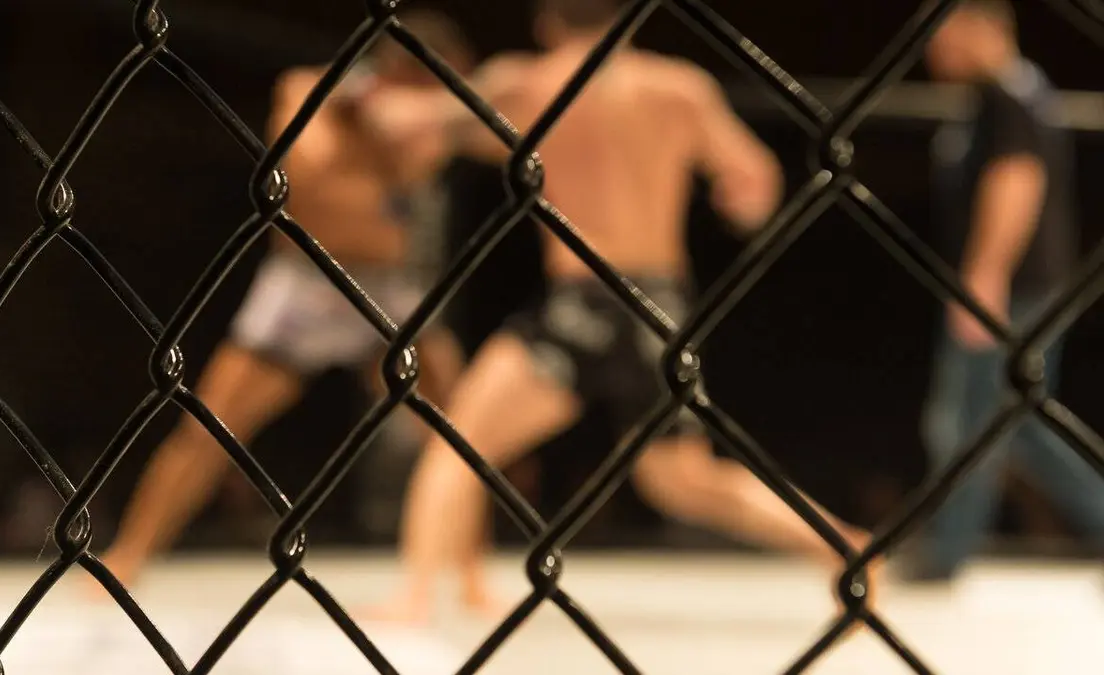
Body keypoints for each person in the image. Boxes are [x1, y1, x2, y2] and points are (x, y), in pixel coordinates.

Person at [360, 0, 881, 624]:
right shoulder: (679, 88)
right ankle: (842, 544)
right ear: (629, 21)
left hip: (580, 298)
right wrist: (733, 201)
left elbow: (406, 123)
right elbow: (753, 180)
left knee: (458, 441)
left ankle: (414, 595)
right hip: (659, 306)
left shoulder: (527, 82)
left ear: (547, 22)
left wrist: (354, 89)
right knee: (681, 480)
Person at [88, 9, 477, 595]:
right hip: (306, 282)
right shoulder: (307, 88)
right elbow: (310, 159)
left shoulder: (428, 115)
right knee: (209, 428)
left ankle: (469, 570)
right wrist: (374, 110)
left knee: (457, 429)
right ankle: (129, 554)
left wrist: (418, 115)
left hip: (386, 287)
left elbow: (455, 135)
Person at [900, 0, 1104, 582]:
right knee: (1022, 424)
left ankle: (946, 551)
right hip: (1021, 286)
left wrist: (984, 275)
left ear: (984, 28)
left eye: (944, 34)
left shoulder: (1011, 96)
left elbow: (1016, 183)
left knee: (969, 419)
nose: (934, 50)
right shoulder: (1005, 95)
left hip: (1016, 288)